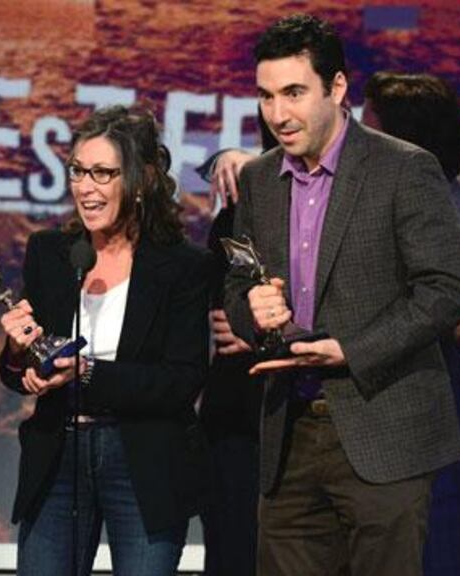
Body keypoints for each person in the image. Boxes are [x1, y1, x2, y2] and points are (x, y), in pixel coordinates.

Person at [223, 14, 460, 576]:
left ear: (337, 88)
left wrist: (352, 349)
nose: (278, 114)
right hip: (286, 436)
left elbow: (448, 288)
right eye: (266, 96)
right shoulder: (261, 182)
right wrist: (250, 309)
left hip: (382, 430)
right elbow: (239, 281)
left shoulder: (404, 168)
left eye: (294, 93)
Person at [0, 105, 210, 576]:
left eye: (102, 173)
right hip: (59, 455)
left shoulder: (183, 267)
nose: (85, 188)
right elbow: (17, 371)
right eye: (77, 171)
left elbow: (181, 381)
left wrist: (88, 373)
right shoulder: (52, 253)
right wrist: (19, 356)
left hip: (143, 461)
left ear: (141, 180)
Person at [363, 72, 460, 576]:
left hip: (437, 431)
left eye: (369, 131)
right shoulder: (416, 204)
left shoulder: (443, 215)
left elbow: (416, 319)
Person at [196, 112, 278, 576]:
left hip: (297, 410)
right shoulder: (241, 201)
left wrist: (261, 334)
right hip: (234, 412)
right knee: (231, 551)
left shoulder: (342, 206)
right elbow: (218, 294)